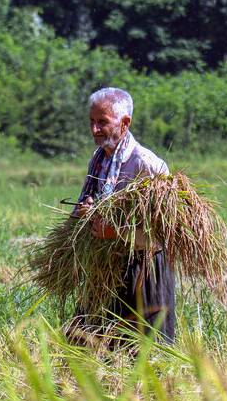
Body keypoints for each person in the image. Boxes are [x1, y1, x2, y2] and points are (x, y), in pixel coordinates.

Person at [67, 87, 175, 349]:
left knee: (145, 354)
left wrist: (115, 232)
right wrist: (85, 211)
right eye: (92, 122)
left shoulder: (147, 165)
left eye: (102, 122)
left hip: (144, 270)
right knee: (85, 346)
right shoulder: (100, 159)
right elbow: (93, 200)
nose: (94, 130)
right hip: (106, 266)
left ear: (125, 123)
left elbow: (162, 233)